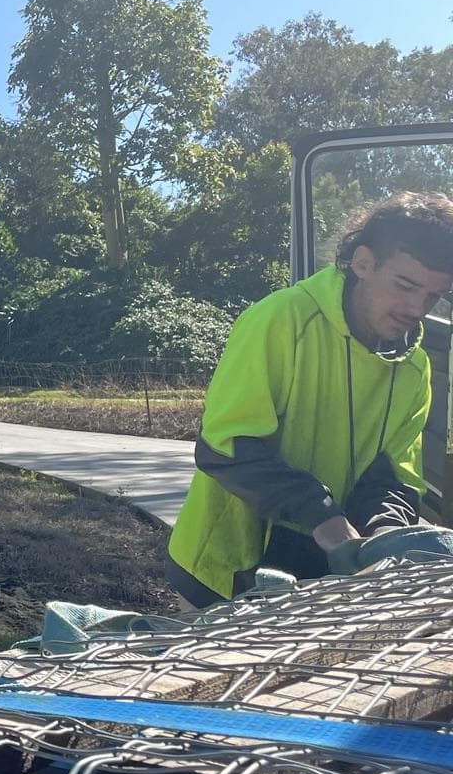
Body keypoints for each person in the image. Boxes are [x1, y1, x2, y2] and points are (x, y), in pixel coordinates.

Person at [167, 192, 453, 609]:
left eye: (432, 296)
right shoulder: (281, 318)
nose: (416, 308)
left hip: (324, 572)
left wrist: (385, 537)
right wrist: (324, 517)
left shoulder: (416, 368)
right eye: (406, 285)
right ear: (363, 263)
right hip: (226, 569)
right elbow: (225, 446)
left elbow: (392, 475)